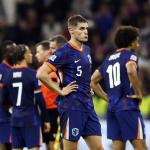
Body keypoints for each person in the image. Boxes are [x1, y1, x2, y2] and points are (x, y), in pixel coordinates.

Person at [37, 15, 103, 150]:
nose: (86, 32)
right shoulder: (64, 52)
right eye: (82, 28)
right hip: (72, 107)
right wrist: (60, 91)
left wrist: (86, 86)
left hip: (88, 106)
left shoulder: (87, 49)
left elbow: (83, 73)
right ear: (71, 31)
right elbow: (41, 74)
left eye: (86, 29)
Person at [91, 26, 147, 150]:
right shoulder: (130, 55)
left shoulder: (108, 59)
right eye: (137, 41)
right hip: (127, 106)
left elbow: (93, 81)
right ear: (131, 42)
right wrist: (138, 93)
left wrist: (107, 98)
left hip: (112, 108)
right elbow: (131, 71)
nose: (138, 44)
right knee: (141, 147)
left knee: (117, 147)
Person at [2, 44, 50, 150]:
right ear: (24, 55)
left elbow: (3, 99)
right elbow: (39, 99)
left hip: (15, 119)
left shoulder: (8, 75)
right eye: (29, 53)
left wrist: (12, 108)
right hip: (31, 120)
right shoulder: (33, 74)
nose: (31, 55)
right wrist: (46, 119)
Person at [36, 35, 67, 150]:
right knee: (50, 145)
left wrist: (61, 112)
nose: (36, 54)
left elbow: (61, 90)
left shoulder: (54, 71)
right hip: (45, 112)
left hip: (55, 110)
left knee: (59, 144)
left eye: (38, 51)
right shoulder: (41, 70)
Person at [0, 40, 16, 150]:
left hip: (11, 113)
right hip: (3, 114)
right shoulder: (2, 69)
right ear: (5, 53)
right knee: (4, 143)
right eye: (12, 51)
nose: (15, 54)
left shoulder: (13, 69)